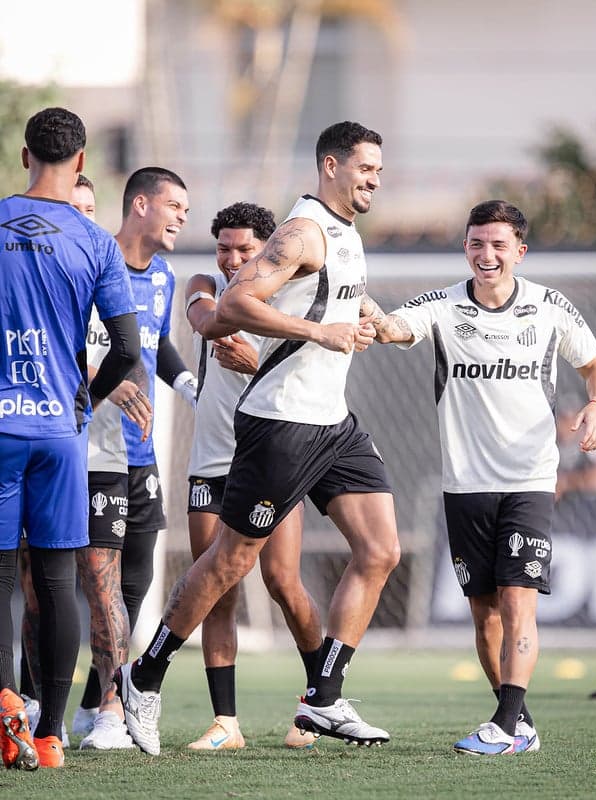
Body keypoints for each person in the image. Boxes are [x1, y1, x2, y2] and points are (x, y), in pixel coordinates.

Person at [115, 120, 401, 756]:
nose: (375, 180)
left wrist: (377, 322)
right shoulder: (302, 232)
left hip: (333, 424)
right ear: (331, 166)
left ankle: (323, 696)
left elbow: (338, 301)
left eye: (379, 170)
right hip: (282, 423)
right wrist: (319, 332)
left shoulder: (347, 233)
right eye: (365, 168)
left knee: (380, 550)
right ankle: (145, 674)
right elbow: (233, 306)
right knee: (231, 562)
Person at [368, 199, 596, 755]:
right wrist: (364, 308)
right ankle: (519, 722)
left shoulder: (550, 307)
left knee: (518, 598)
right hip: (465, 485)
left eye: (499, 245)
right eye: (477, 243)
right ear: (465, 248)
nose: (487, 254)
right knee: (485, 617)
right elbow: (391, 329)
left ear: (519, 252)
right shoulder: (441, 306)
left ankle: (503, 726)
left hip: (530, 480)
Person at [0, 107, 139, 769]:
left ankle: (8, 706)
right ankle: (51, 735)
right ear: (81, 161)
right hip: (59, 430)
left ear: (25, 155)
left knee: (2, 579)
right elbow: (128, 349)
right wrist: (87, 397)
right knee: (57, 582)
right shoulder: (96, 242)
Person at [185, 202, 322, 750]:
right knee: (215, 590)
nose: (232, 257)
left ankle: (321, 702)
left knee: (283, 583)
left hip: (270, 463)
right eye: (224, 247)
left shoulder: (290, 302)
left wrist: (255, 364)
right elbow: (202, 315)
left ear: (269, 250)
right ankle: (226, 723)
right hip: (210, 464)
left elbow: (304, 380)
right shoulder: (205, 286)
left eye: (245, 249)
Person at [71, 167, 197, 751]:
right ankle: (106, 708)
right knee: (87, 583)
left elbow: (156, 343)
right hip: (93, 448)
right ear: (140, 204)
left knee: (136, 582)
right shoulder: (91, 264)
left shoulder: (165, 275)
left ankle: (90, 702)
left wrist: (190, 385)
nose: (181, 218)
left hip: (140, 450)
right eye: (174, 206)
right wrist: (104, 380)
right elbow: (63, 345)